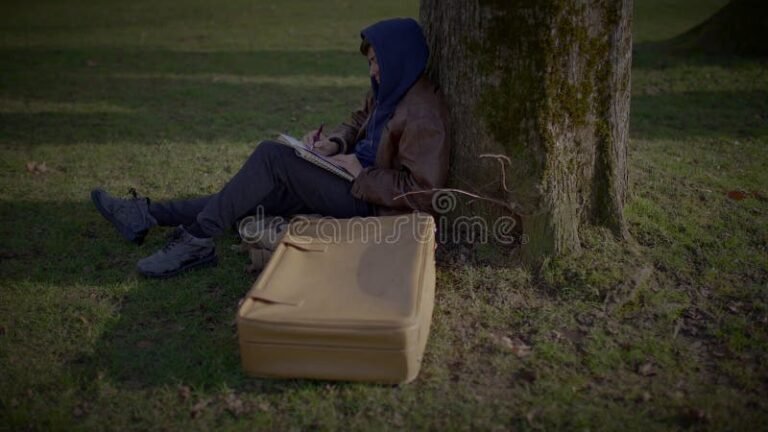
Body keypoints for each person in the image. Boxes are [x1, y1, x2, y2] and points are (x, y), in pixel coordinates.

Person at [90, 18, 449, 278]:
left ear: (399, 57)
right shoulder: (390, 89)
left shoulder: (421, 114)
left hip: (368, 202)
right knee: (250, 194)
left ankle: (197, 242)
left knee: (270, 157)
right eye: (370, 62)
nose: (372, 71)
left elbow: (424, 192)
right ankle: (146, 214)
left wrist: (363, 172)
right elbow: (359, 121)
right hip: (344, 178)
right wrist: (334, 143)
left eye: (377, 61)